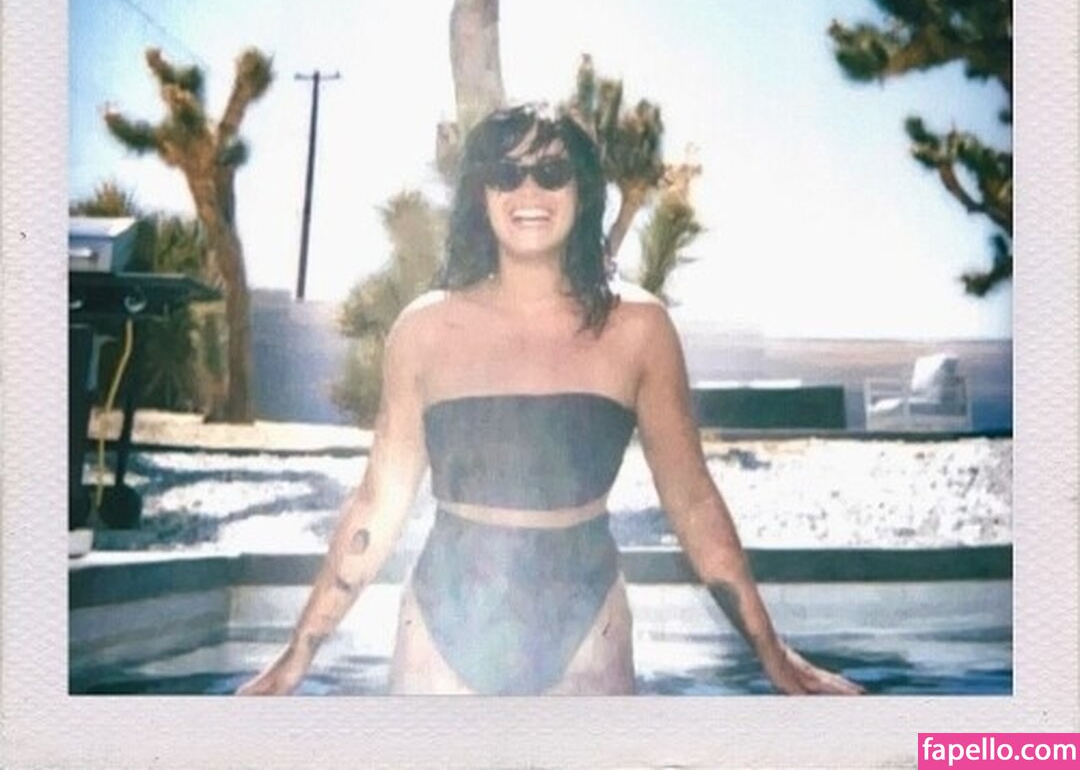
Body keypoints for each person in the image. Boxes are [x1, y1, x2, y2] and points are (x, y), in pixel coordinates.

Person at [238, 104, 863, 696]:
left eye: (552, 171)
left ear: (583, 190)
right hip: (441, 623)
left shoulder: (639, 329)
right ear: (482, 193)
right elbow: (379, 505)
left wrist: (772, 653)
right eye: (507, 173)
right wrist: (299, 652)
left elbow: (693, 501)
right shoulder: (424, 331)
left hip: (588, 619)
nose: (529, 191)